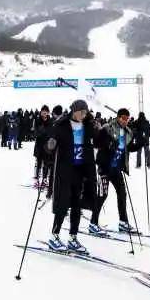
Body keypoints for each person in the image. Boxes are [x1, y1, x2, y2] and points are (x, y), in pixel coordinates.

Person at [45, 100, 96, 254]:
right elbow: (48, 148)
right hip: (65, 170)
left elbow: (98, 141)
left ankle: (73, 237)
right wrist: (50, 145)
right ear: (74, 111)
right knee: (62, 204)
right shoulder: (61, 125)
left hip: (80, 170)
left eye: (86, 112)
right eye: (81, 112)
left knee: (76, 205)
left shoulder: (87, 126)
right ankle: (55, 236)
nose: (84, 115)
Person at [89, 108, 141, 235]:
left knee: (122, 194)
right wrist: (106, 143)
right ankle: (93, 223)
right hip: (104, 167)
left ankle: (123, 222)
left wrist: (139, 144)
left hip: (116, 168)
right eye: (123, 118)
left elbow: (128, 148)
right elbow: (96, 142)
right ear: (118, 117)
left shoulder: (128, 132)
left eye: (127, 118)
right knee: (102, 195)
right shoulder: (108, 128)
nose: (125, 120)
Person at [33, 105, 53, 186]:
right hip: (39, 144)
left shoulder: (50, 121)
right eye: (43, 111)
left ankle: (44, 179)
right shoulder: (37, 120)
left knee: (46, 163)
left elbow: (51, 132)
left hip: (47, 145)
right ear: (41, 112)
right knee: (39, 163)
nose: (44, 113)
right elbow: (35, 133)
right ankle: (37, 179)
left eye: (46, 111)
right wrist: (41, 131)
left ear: (48, 112)